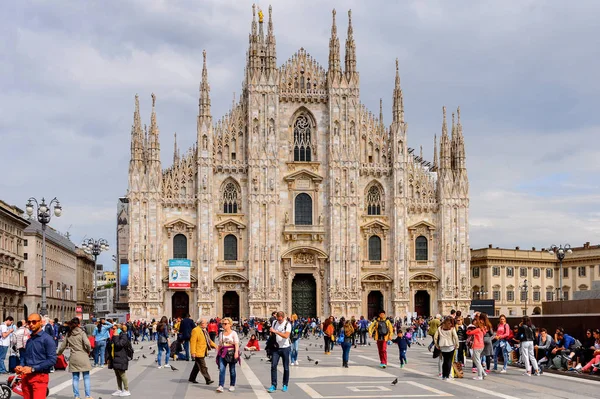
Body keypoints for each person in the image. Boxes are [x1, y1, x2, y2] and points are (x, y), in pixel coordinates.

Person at [16, 313, 57, 399]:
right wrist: (21, 365)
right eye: (29, 322)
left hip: (39, 377)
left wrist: (33, 369)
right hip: (26, 376)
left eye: (34, 322)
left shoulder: (47, 339)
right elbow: (26, 357)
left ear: (41, 322)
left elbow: (52, 360)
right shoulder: (29, 340)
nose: (31, 324)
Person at [57, 318, 93, 399]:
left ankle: (77, 396)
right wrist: (88, 350)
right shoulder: (82, 333)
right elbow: (87, 343)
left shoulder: (69, 334)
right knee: (86, 377)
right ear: (79, 324)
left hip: (74, 357)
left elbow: (63, 345)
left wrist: (59, 353)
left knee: (75, 378)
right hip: (83, 356)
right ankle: (87, 396)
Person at [267, 311, 291, 393]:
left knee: (286, 367)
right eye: (278, 319)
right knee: (273, 366)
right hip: (275, 348)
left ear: (283, 318)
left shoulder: (288, 324)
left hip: (285, 348)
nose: (279, 321)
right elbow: (271, 332)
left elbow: (286, 336)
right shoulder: (274, 322)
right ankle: (273, 385)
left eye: (280, 320)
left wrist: (276, 332)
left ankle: (285, 384)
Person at [106, 324, 132, 397]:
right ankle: (119, 389)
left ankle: (126, 390)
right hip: (115, 357)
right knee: (117, 374)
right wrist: (108, 358)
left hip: (121, 357)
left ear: (118, 329)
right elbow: (110, 347)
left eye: (114, 329)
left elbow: (119, 345)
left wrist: (116, 336)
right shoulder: (114, 336)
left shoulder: (123, 336)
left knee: (122, 374)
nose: (112, 330)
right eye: (112, 329)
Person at [189, 318, 217, 385]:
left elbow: (208, 341)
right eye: (206, 323)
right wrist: (193, 352)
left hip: (203, 351)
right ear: (201, 323)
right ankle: (208, 379)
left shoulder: (204, 330)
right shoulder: (195, 330)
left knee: (197, 366)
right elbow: (193, 342)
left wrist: (216, 346)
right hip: (198, 352)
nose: (207, 324)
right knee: (203, 366)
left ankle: (192, 378)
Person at [216, 317, 239, 393]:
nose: (224, 325)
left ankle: (232, 385)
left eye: (225, 324)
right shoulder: (221, 333)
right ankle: (221, 385)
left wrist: (236, 352)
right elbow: (219, 344)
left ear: (230, 324)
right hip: (223, 353)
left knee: (232, 370)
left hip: (231, 353)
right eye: (222, 324)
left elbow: (236, 343)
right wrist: (218, 353)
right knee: (222, 369)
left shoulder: (233, 333)